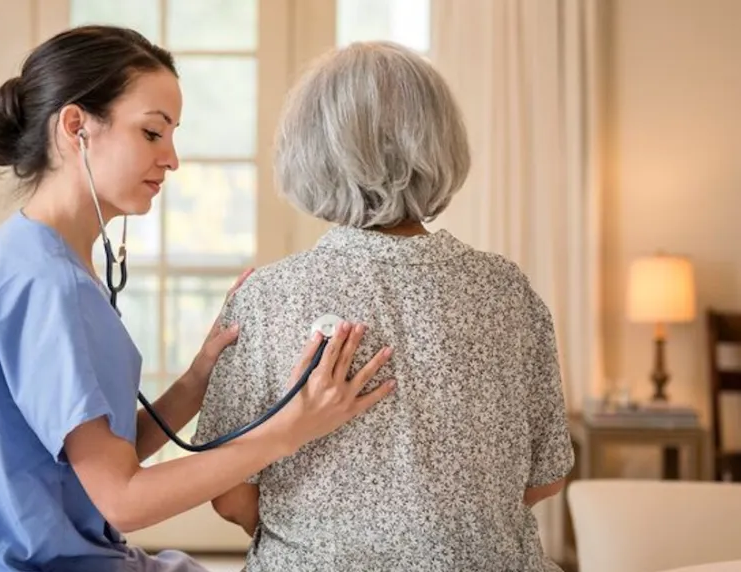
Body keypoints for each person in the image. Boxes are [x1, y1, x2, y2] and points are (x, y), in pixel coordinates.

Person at [0, 25, 398, 572]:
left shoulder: (23, 253)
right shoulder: (49, 286)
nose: (172, 159)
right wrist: (292, 429)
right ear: (76, 127)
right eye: (153, 134)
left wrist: (197, 378)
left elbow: (91, 456)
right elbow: (122, 498)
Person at [192, 41, 575, 571]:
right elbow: (547, 477)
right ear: (442, 145)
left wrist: (326, 540)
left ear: (309, 151)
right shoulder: (509, 289)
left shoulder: (265, 298)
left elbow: (228, 494)